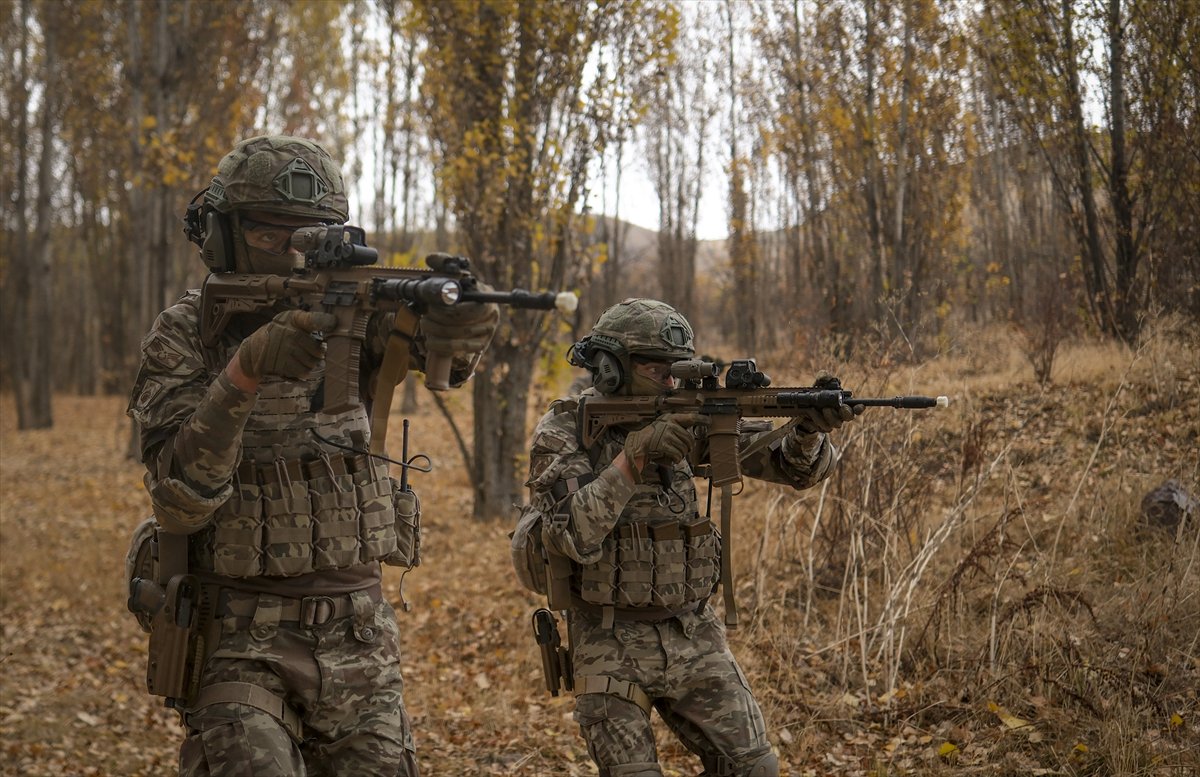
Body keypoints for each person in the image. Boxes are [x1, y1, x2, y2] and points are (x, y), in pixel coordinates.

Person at [126, 135, 497, 776]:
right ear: (222, 235)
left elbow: (442, 351)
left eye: (314, 237)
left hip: (359, 635)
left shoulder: (355, 314)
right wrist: (244, 373)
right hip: (237, 636)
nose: (296, 253)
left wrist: (461, 324)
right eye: (273, 234)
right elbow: (178, 497)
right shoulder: (186, 332)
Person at [522, 298, 859, 777]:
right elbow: (571, 534)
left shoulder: (691, 414)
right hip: (608, 639)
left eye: (676, 368)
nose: (671, 378)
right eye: (658, 367)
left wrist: (806, 430)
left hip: (692, 631)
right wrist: (634, 458)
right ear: (610, 367)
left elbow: (790, 467)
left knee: (754, 768)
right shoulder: (566, 430)